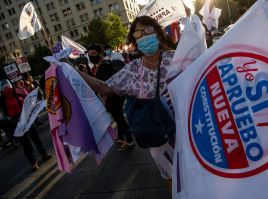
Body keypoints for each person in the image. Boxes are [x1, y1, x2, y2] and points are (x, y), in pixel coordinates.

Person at [76, 16, 176, 182]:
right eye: (138, 33)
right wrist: (72, 71)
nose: (144, 35)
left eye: (148, 30)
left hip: (188, 131)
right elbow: (104, 87)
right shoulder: (133, 69)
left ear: (157, 33)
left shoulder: (176, 58)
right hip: (159, 138)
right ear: (134, 41)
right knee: (170, 178)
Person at [87, 44, 134, 151]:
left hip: (112, 99)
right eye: (89, 54)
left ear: (100, 53)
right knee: (119, 118)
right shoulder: (105, 64)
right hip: (117, 96)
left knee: (120, 119)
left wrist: (104, 101)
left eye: (93, 53)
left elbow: (105, 88)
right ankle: (121, 137)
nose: (91, 56)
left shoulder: (103, 67)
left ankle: (129, 140)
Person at [0, 81, 52, 171]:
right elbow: (4, 115)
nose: (9, 92)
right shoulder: (1, 101)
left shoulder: (18, 94)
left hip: (27, 119)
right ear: (3, 92)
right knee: (26, 144)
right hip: (16, 123)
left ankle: (44, 154)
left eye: (10, 90)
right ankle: (33, 162)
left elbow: (29, 100)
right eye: (6, 91)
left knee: (36, 139)